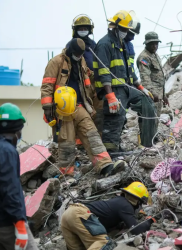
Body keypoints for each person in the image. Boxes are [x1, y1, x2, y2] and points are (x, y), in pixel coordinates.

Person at [40, 38, 116, 177]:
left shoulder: (81, 61)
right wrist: (47, 107)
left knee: (91, 133)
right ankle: (67, 175)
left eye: (81, 54)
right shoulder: (56, 62)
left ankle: (104, 165)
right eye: (77, 53)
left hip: (80, 105)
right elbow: (47, 85)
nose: (79, 56)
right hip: (63, 108)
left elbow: (87, 80)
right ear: (70, 50)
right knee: (67, 142)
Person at [94, 10, 156, 152]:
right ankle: (112, 153)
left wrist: (141, 87)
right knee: (116, 117)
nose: (125, 32)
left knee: (146, 101)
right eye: (123, 29)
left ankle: (147, 143)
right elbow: (104, 73)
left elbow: (129, 70)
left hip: (125, 87)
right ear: (115, 27)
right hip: (111, 89)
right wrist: (110, 96)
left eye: (126, 30)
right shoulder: (104, 44)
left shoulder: (122, 44)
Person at [61, 182, 155, 250]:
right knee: (102, 244)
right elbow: (136, 229)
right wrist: (150, 220)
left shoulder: (118, 201)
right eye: (141, 203)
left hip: (69, 214)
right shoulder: (126, 206)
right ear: (137, 201)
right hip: (80, 214)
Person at [0, 103, 38, 250]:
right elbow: (9, 188)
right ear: (17, 129)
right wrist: (20, 223)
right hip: (7, 223)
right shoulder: (7, 151)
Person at [137, 32, 168, 119]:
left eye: (156, 43)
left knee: (155, 119)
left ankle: (154, 133)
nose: (155, 46)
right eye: (152, 44)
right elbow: (145, 77)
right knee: (149, 120)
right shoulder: (144, 57)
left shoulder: (155, 55)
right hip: (152, 95)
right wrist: (152, 93)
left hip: (159, 95)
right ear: (146, 44)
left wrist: (164, 95)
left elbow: (159, 76)